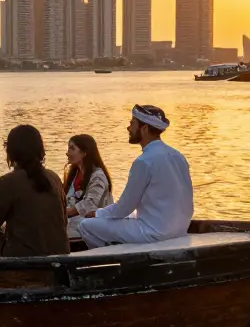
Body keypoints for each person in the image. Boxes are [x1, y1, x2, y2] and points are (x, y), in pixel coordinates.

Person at [77, 105, 194, 248]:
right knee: (126, 216)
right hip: (179, 229)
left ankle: (112, 261)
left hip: (153, 233)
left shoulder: (143, 162)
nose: (128, 128)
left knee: (86, 225)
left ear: (144, 128)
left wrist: (98, 214)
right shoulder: (178, 156)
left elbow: (124, 207)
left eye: (132, 123)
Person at [0, 125, 70, 257]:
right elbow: (63, 220)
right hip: (61, 252)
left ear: (11, 151)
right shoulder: (54, 177)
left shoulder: (7, 182)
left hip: (25, 256)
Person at [62, 134, 114, 239]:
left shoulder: (98, 176)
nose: (67, 153)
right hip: (74, 222)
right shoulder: (74, 174)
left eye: (72, 149)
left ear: (84, 153)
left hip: (93, 225)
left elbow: (90, 203)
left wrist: (62, 213)